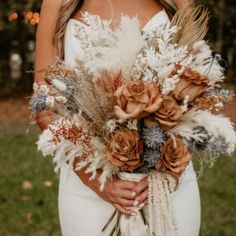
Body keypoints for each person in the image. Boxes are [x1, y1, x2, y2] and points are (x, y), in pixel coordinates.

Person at [35, 0, 200, 235]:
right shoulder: (56, 3)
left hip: (167, 187)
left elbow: (199, 87)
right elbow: (44, 107)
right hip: (87, 189)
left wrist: (167, 173)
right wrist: (96, 180)